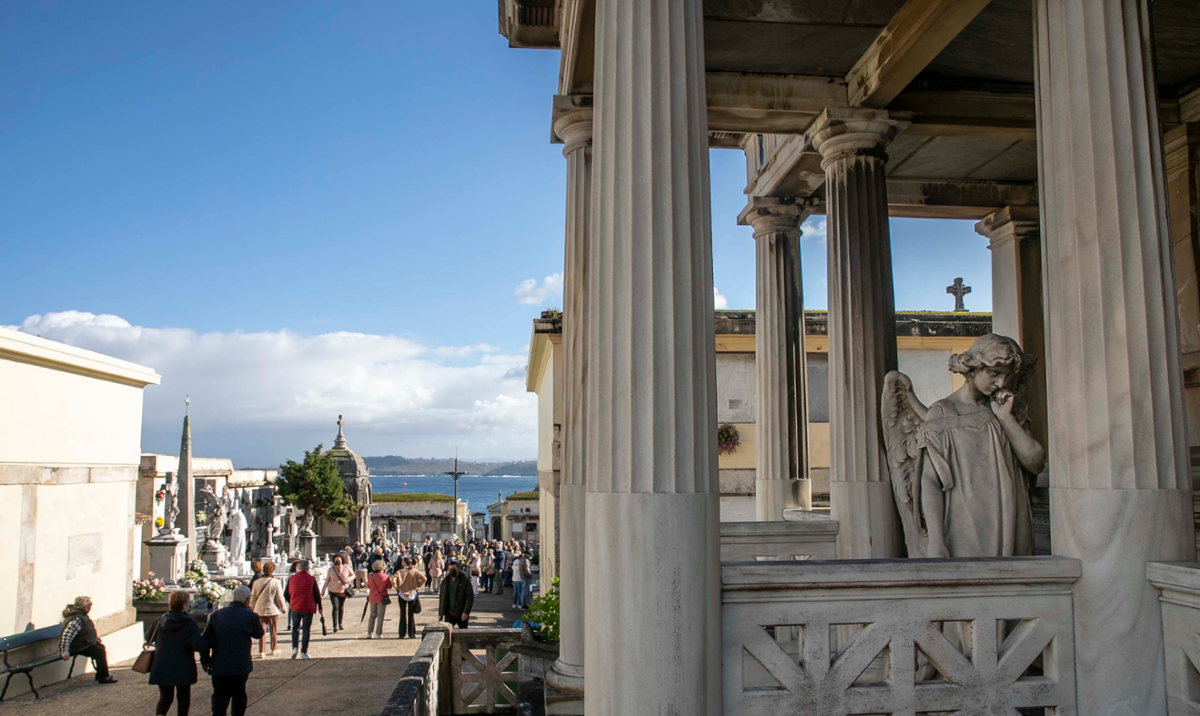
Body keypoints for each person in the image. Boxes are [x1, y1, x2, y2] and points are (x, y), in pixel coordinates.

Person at [202, 586, 263, 716]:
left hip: (219, 664)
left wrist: (205, 660)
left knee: (219, 698)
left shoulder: (216, 615)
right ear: (247, 600)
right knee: (238, 697)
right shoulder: (250, 616)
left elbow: (205, 640)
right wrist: (253, 616)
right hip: (240, 664)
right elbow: (258, 634)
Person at [146, 590, 203, 716]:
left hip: (162, 664)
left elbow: (148, 637)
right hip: (183, 664)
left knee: (165, 697)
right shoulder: (189, 623)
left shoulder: (159, 621)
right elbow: (197, 645)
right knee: (183, 698)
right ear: (184, 605)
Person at [59, 595, 117, 685]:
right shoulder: (77, 618)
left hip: (83, 643)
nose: (90, 607)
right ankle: (104, 677)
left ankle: (101, 673)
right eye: (90, 605)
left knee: (100, 647)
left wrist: (94, 638)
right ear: (85, 607)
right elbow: (67, 636)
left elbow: (85, 631)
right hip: (78, 646)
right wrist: (65, 652)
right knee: (99, 652)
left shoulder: (80, 615)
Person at [283, 560, 322, 659]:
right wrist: (320, 607)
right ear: (308, 568)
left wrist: (291, 602)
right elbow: (317, 595)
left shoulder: (292, 578)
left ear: (297, 568)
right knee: (306, 630)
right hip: (308, 607)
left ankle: (294, 647)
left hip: (295, 606)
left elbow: (286, 594)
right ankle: (303, 652)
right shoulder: (311, 579)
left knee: (295, 627)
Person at [249, 561, 286, 657]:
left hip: (259, 609)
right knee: (273, 630)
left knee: (262, 630)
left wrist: (252, 608)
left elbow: (253, 597)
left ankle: (262, 651)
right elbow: (279, 596)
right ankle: (274, 648)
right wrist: (283, 607)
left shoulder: (256, 582)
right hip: (272, 609)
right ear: (273, 570)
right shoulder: (276, 581)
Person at [392, 557, 427, 639]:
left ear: (404, 563)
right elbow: (424, 578)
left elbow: (393, 581)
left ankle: (402, 633)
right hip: (412, 593)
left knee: (402, 613)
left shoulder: (399, 572)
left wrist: (397, 587)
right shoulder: (415, 571)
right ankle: (411, 633)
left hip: (402, 593)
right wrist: (417, 585)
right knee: (411, 614)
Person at [438, 559, 474, 628]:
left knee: (463, 634)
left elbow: (470, 597)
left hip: (461, 613)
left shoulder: (465, 581)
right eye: (450, 569)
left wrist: (466, 612)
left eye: (453, 569)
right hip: (449, 613)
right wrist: (441, 613)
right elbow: (442, 598)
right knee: (448, 634)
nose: (451, 571)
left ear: (458, 569)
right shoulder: (445, 582)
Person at [322, 555, 354, 633]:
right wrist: (323, 590)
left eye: (339, 561)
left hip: (343, 590)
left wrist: (348, 579)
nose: (338, 562)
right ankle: (335, 625)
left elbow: (353, 575)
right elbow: (327, 580)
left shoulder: (346, 567)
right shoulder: (331, 570)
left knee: (341, 607)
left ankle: (340, 623)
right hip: (333, 591)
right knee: (335, 606)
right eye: (336, 561)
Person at [364, 559, 390, 639]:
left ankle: (369, 632)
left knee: (372, 615)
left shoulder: (370, 576)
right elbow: (389, 586)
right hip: (382, 598)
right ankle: (378, 633)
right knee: (380, 616)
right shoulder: (385, 576)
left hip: (372, 597)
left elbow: (368, 585)